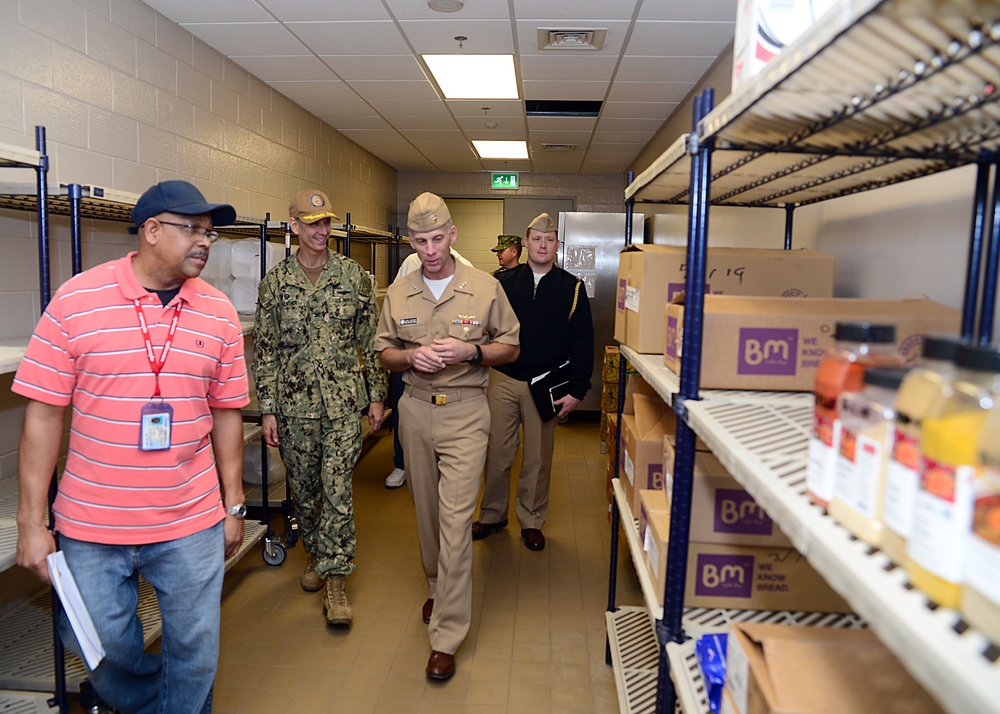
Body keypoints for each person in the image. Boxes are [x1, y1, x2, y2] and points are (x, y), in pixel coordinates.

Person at [14, 180, 249, 714]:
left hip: (190, 518)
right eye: (192, 229)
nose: (205, 242)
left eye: (209, 232)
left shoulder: (218, 313)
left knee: (195, 651)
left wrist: (233, 505)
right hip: (92, 521)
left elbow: (227, 412)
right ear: (151, 230)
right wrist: (32, 522)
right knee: (97, 644)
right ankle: (153, 703)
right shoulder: (77, 299)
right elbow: (44, 414)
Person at [376, 192, 519, 681]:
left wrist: (471, 352)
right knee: (428, 513)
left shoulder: (484, 287)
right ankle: (436, 586)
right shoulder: (399, 292)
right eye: (421, 240)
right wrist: (409, 358)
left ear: (453, 235)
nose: (431, 248)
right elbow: (384, 353)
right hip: (415, 410)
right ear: (411, 242)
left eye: (439, 238)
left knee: (456, 522)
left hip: (465, 413)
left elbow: (511, 346)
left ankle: (447, 633)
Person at [252, 189, 386, 627]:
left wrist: (377, 395)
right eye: (312, 223)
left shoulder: (352, 278)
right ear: (294, 226)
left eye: (327, 222)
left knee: (336, 489)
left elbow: (372, 341)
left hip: (345, 404)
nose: (322, 231)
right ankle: (315, 549)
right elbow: (267, 352)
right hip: (295, 409)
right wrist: (268, 409)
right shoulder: (274, 284)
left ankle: (335, 578)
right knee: (306, 493)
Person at [473, 212, 594, 551]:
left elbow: (583, 342)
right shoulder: (502, 283)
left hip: (546, 385)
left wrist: (577, 389)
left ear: (557, 244)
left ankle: (531, 519)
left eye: (549, 239)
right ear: (524, 243)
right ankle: (493, 515)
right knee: (497, 452)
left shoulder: (572, 288)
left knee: (538, 458)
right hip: (503, 380)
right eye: (536, 239)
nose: (543, 245)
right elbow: (484, 330)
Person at [384, 248, 474, 489]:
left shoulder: (465, 266)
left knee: (448, 413)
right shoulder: (412, 262)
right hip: (411, 353)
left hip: (448, 357)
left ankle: (444, 465)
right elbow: (394, 302)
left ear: (450, 234)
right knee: (404, 408)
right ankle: (402, 464)